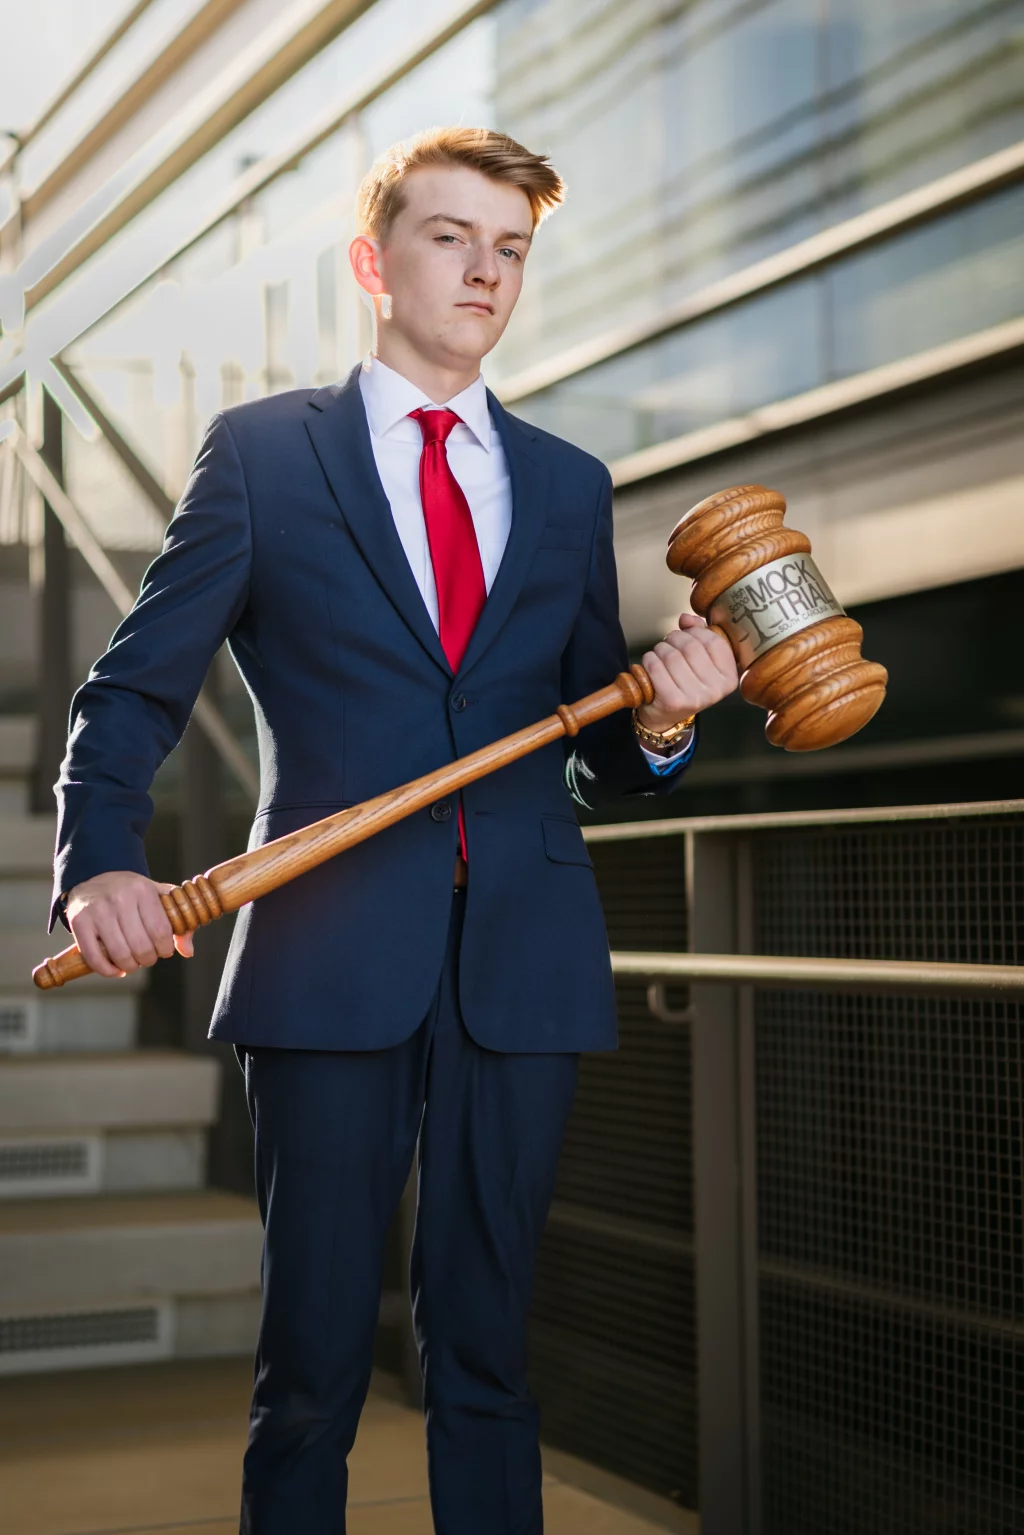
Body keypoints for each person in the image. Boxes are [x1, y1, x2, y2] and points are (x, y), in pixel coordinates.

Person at [51, 128, 739, 1534]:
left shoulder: (565, 483)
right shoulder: (261, 458)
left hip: (524, 962)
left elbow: (589, 733)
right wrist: (102, 863)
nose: (486, 270)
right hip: (327, 949)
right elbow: (131, 690)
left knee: (487, 1352)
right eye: (452, 237)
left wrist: (666, 717)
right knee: (309, 1366)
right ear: (375, 261)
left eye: (512, 249)